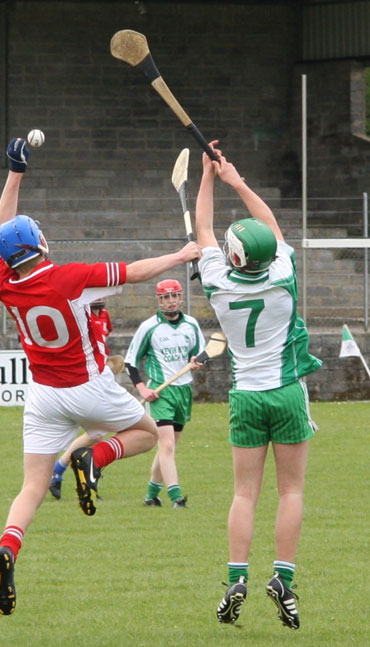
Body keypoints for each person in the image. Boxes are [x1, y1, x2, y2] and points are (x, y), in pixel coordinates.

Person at [0, 137, 201, 616]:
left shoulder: (6, 282)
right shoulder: (70, 277)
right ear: (36, 244)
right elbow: (136, 271)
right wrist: (181, 255)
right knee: (147, 434)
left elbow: (2, 230)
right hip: (88, 387)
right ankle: (94, 459)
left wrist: (14, 173)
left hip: (42, 395)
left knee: (32, 487)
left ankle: (8, 548)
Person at [195, 141, 322, 630]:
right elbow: (272, 227)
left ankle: (236, 577)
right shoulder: (284, 273)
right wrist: (236, 180)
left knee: (244, 493)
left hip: (245, 396)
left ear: (233, 255)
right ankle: (283, 580)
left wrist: (208, 176)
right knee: (291, 491)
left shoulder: (217, 282)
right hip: (287, 391)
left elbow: (203, 228)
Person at [124, 279, 205, 509]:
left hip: (183, 391)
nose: (170, 302)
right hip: (161, 393)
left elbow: (200, 354)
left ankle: (151, 496)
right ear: (158, 300)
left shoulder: (191, 324)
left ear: (181, 297)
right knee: (166, 445)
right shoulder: (149, 327)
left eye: (174, 296)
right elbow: (131, 361)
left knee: (169, 447)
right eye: (165, 297)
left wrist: (197, 362)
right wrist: (142, 388)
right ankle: (177, 497)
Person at [48, 298, 114, 500]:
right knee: (97, 433)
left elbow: (105, 337)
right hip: (84, 381)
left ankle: (61, 472)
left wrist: (107, 362)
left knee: (96, 434)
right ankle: (65, 471)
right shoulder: (80, 317)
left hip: (101, 378)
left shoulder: (103, 316)